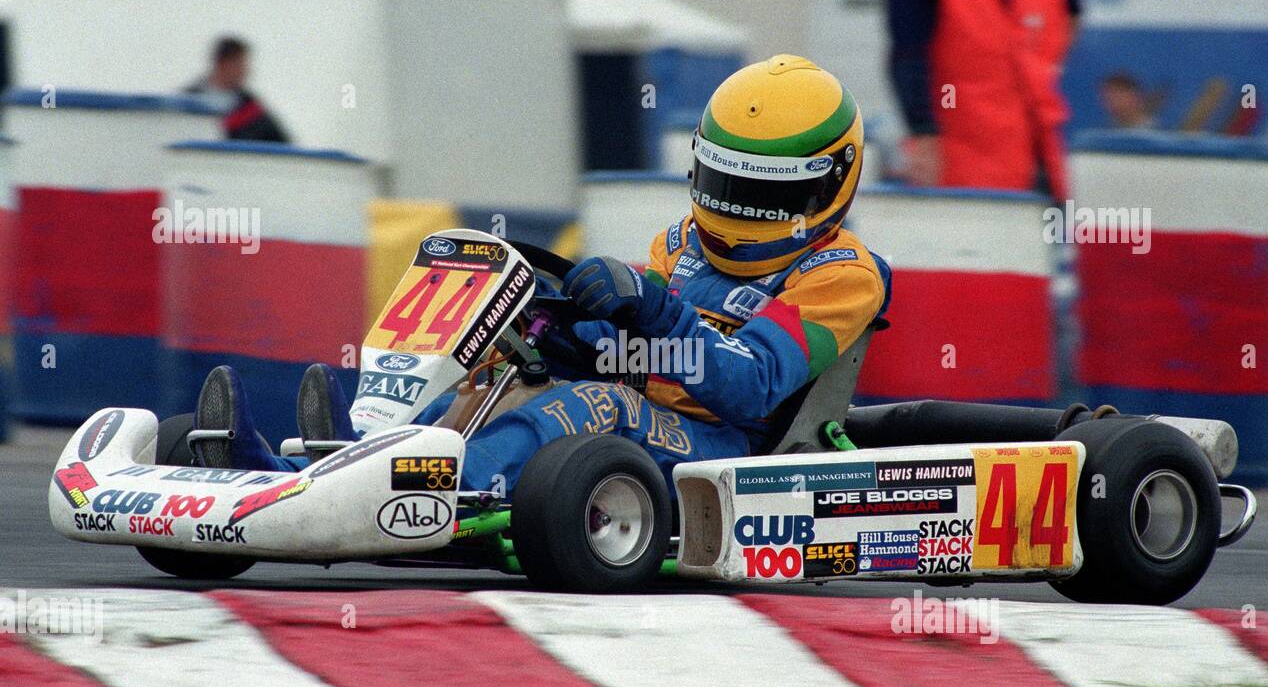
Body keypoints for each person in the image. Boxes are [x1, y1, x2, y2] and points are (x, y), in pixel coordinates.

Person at [190, 55, 892, 495]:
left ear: (828, 181)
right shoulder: (681, 244)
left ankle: (402, 488)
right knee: (506, 370)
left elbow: (751, 385)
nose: (735, 207)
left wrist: (652, 310)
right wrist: (557, 324)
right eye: (725, 182)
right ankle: (321, 470)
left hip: (731, 453)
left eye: (760, 190)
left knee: (591, 408)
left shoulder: (840, 274)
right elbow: (626, 351)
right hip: (645, 418)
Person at [887, 0, 1080, 200]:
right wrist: (923, 132)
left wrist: (1044, 66)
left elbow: (1071, 9)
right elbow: (908, 54)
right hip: (961, 162)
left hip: (1039, 157)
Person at [185, 37, 290, 143]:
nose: (246, 70)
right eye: (240, 64)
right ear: (223, 63)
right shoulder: (186, 101)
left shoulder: (251, 108)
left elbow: (282, 144)